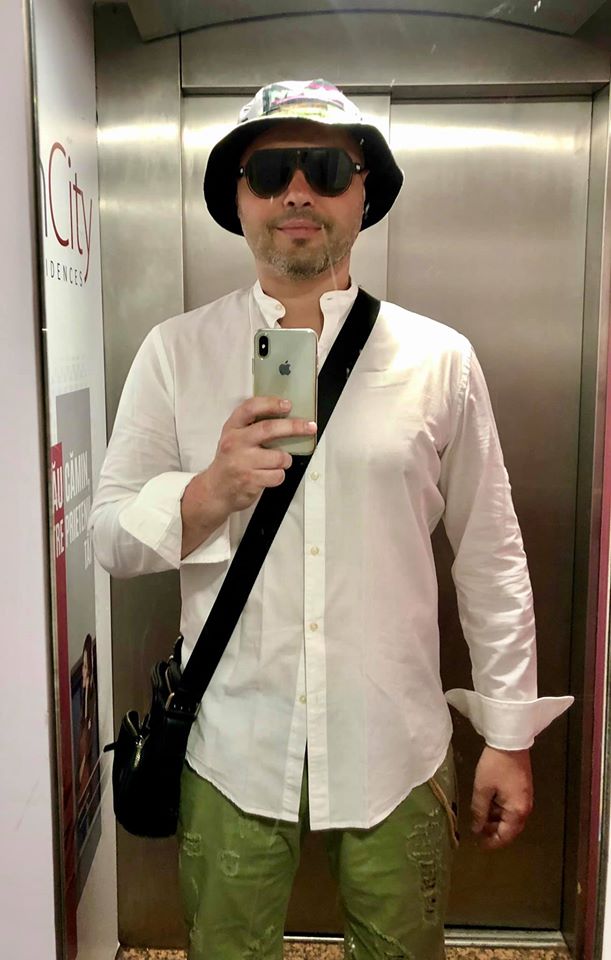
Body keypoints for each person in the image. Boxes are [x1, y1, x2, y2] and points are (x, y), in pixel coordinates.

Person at [90, 79, 573, 960]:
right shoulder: (176, 353)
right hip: (230, 743)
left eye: (324, 168)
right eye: (270, 171)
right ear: (237, 198)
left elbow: (490, 553)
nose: (297, 193)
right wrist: (208, 492)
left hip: (394, 741)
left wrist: (507, 736)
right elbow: (111, 536)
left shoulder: (439, 360)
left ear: (363, 192)